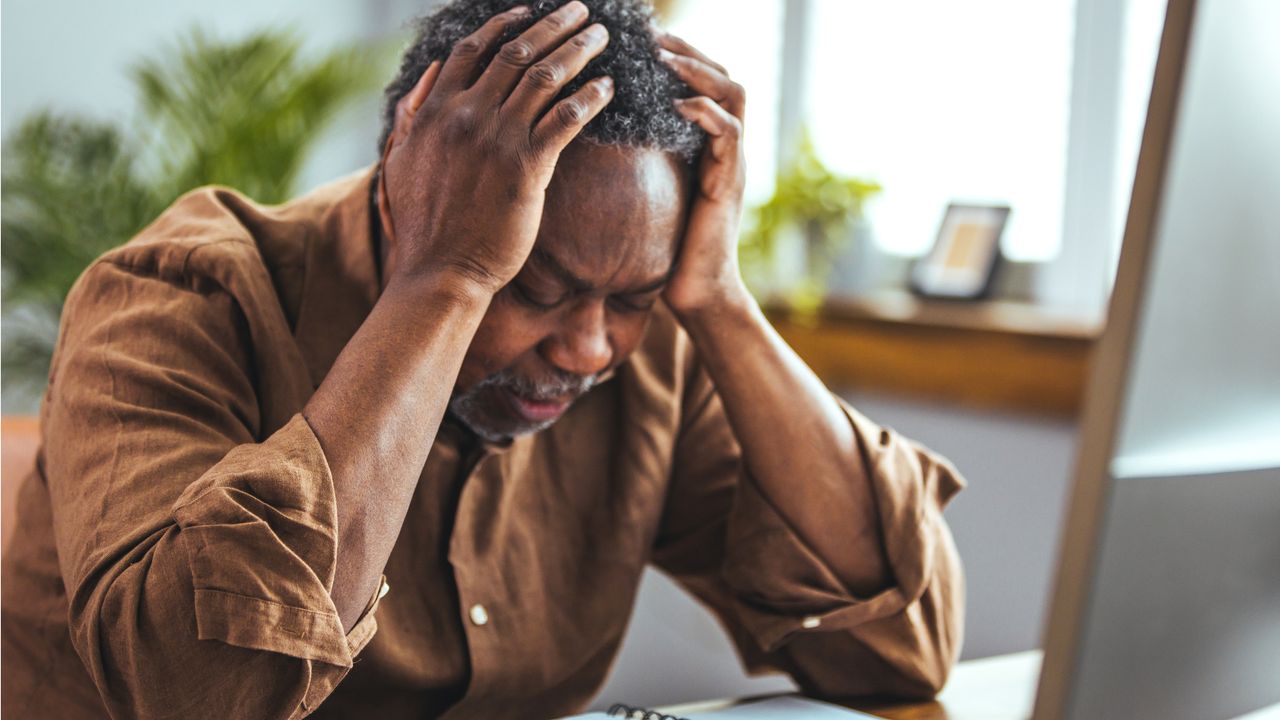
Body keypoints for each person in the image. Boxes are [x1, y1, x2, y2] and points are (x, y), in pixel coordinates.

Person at [0, 1, 965, 718]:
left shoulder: (652, 347)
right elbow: (197, 694)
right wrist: (448, 280)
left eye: (629, 300)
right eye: (533, 287)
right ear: (403, 195)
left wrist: (719, 300)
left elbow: (897, 647)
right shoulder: (175, 300)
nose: (589, 348)